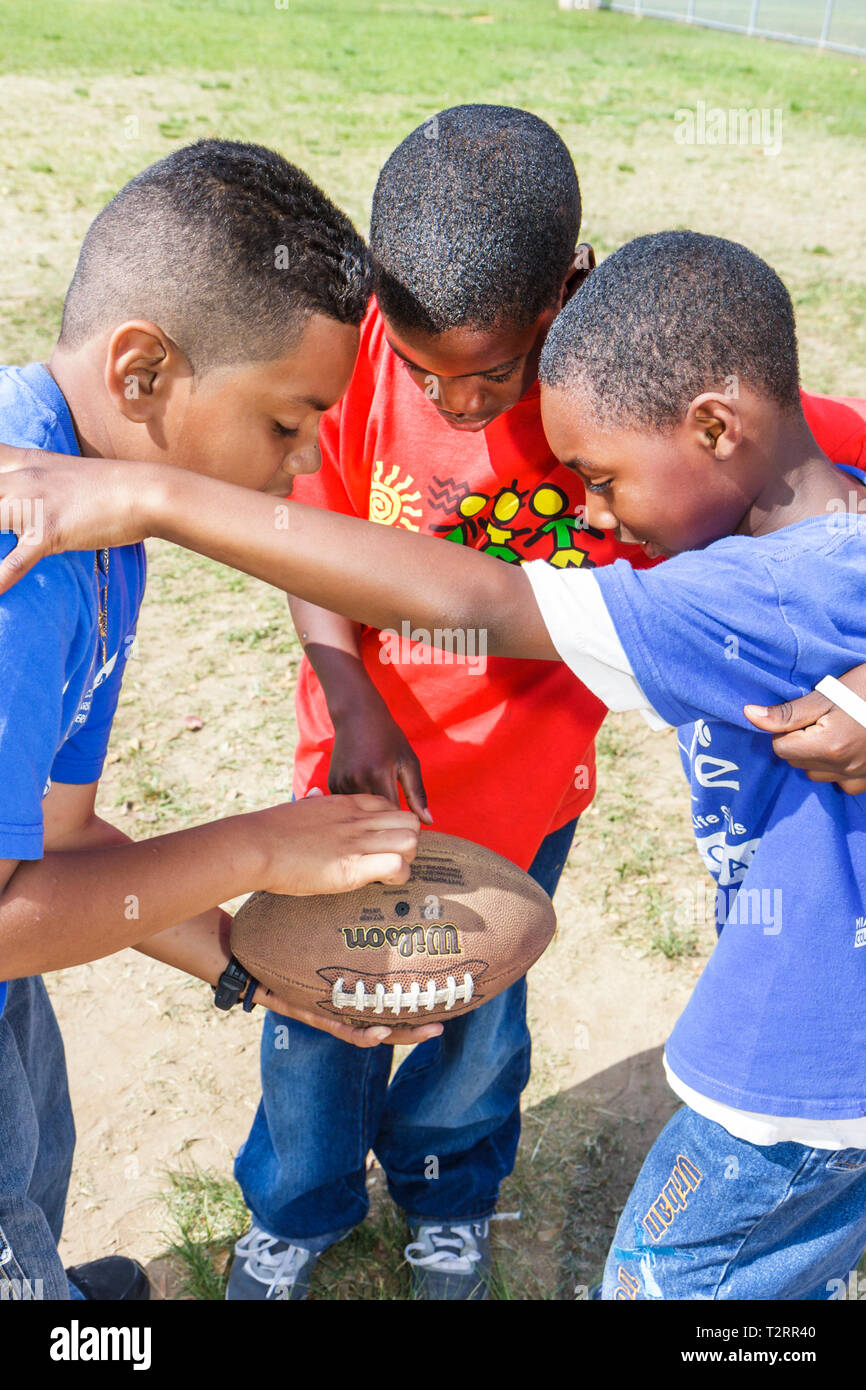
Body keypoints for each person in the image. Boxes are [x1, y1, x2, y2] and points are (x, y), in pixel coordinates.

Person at [6, 229, 866, 1300]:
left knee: (493, 1058)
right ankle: (295, 1209)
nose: (592, 512)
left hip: (584, 865)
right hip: (357, 796)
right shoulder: (351, 362)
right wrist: (348, 694)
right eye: (429, 377)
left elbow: (488, 601)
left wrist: (155, 499)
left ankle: (450, 1197)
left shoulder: (698, 493)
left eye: (594, 480)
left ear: (562, 299)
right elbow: (323, 512)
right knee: (317, 1046)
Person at [0, 139, 421, 1303]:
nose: (298, 472)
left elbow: (65, 842)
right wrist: (258, 845)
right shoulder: (21, 568)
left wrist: (252, 967)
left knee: (32, 1162)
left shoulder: (101, 521)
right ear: (143, 370)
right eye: (288, 424)